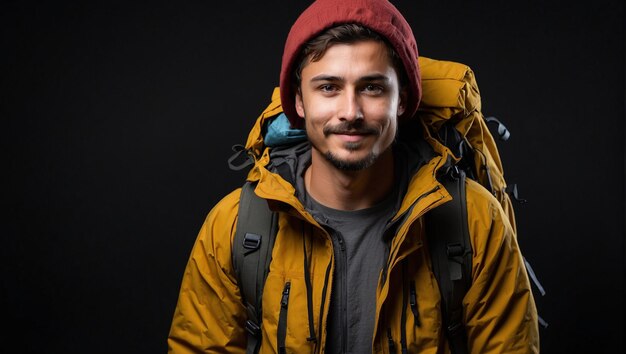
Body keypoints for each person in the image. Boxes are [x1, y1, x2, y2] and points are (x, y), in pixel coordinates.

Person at [167, 0, 540, 353]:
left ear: (404, 100)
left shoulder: (474, 221)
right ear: (297, 101)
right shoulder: (234, 227)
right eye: (328, 87)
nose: (351, 111)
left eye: (372, 87)